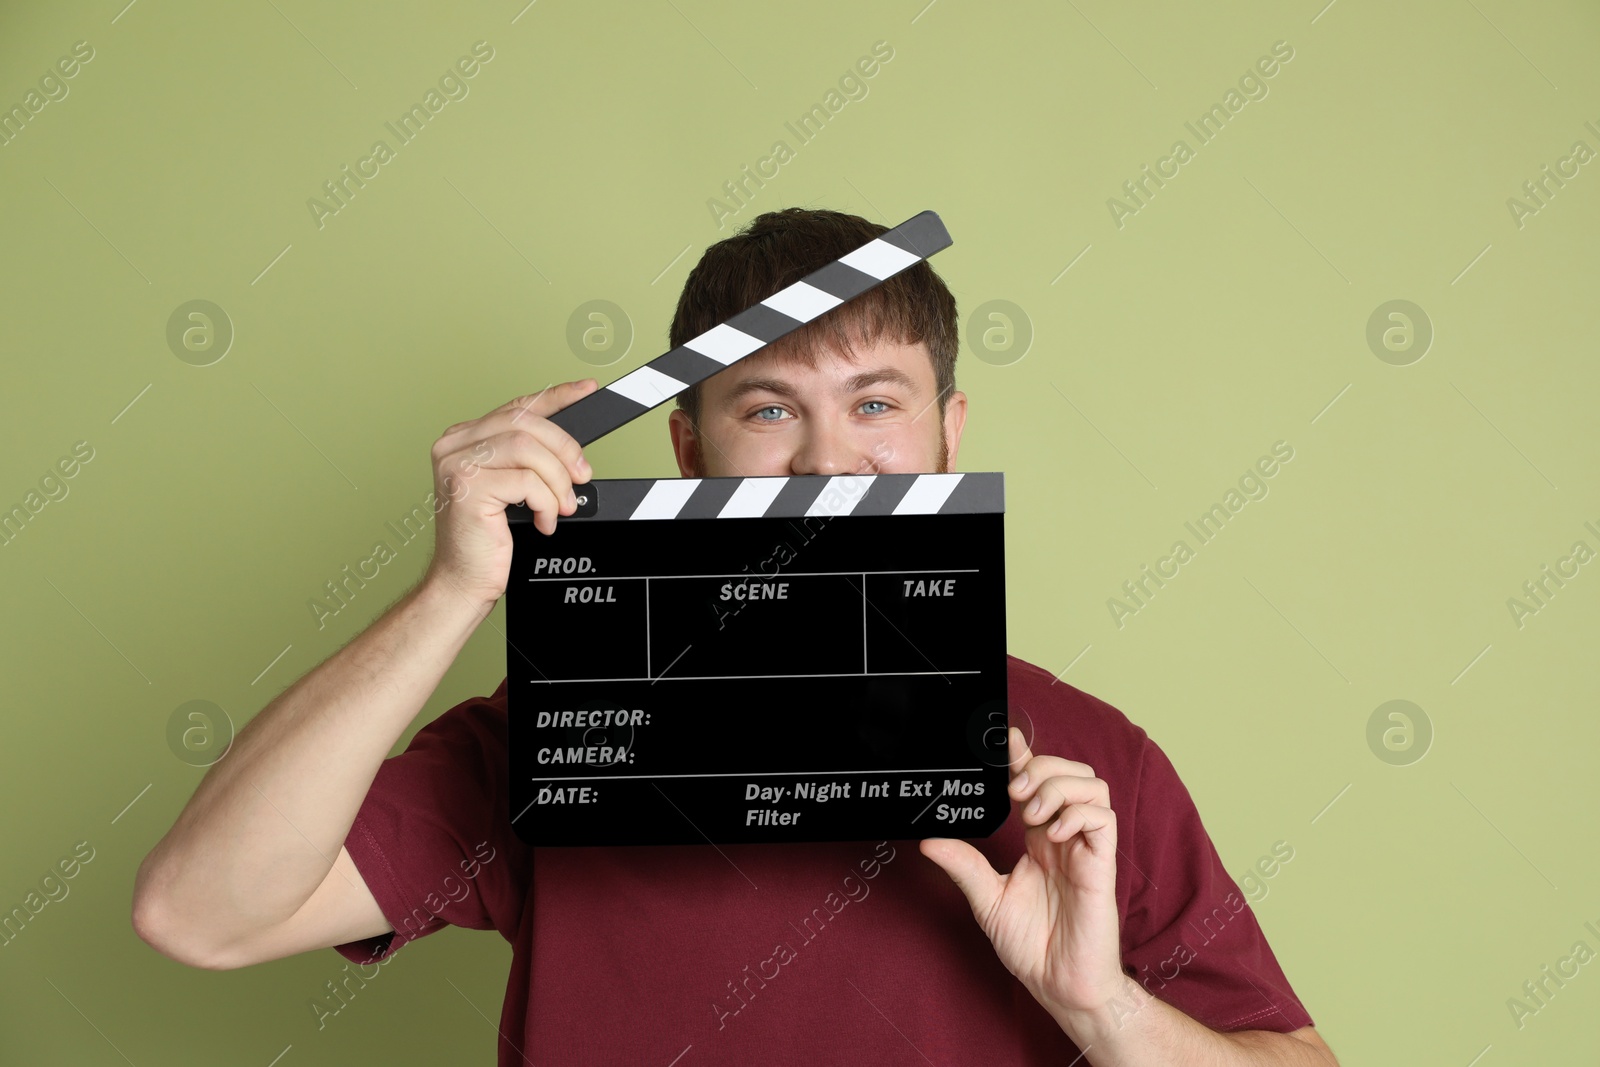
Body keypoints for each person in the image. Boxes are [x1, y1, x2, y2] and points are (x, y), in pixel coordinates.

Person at [133, 208, 1338, 1065]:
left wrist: (1102, 1009)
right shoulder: (570, 724)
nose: (825, 459)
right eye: (770, 408)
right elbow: (199, 913)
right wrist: (451, 592)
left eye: (875, 403)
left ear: (947, 431)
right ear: (689, 449)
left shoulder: (1083, 763)